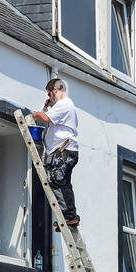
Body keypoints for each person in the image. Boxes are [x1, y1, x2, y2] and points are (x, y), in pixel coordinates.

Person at [31, 77, 80, 227]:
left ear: (56, 90)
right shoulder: (63, 106)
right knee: (63, 183)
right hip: (64, 150)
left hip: (63, 151)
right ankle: (70, 216)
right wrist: (48, 106)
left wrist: (36, 114)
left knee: (56, 180)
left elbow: (45, 119)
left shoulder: (65, 104)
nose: (49, 98)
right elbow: (50, 116)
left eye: (49, 94)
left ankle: (69, 216)